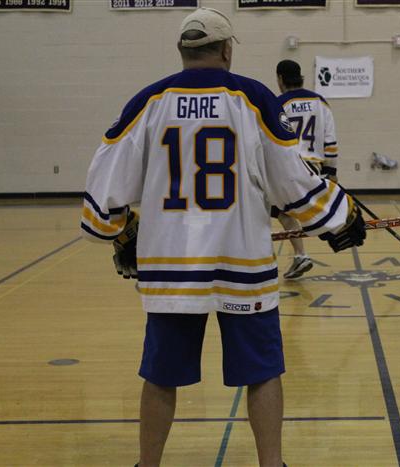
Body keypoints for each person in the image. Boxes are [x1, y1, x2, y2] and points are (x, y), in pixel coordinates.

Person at [79, 8, 365, 467]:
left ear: (181, 50)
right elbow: (291, 181)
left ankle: (146, 465)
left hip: (171, 269)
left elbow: (102, 190)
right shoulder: (253, 98)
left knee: (161, 376)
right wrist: (337, 215)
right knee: (262, 372)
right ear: (228, 50)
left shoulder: (148, 101)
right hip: (242, 262)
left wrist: (118, 230)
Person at [273, 59, 340, 280]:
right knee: (285, 212)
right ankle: (301, 255)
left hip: (288, 165)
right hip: (313, 167)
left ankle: (268, 258)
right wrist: (331, 171)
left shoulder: (278, 103)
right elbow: (330, 140)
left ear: (280, 78)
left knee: (271, 210)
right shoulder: (320, 102)